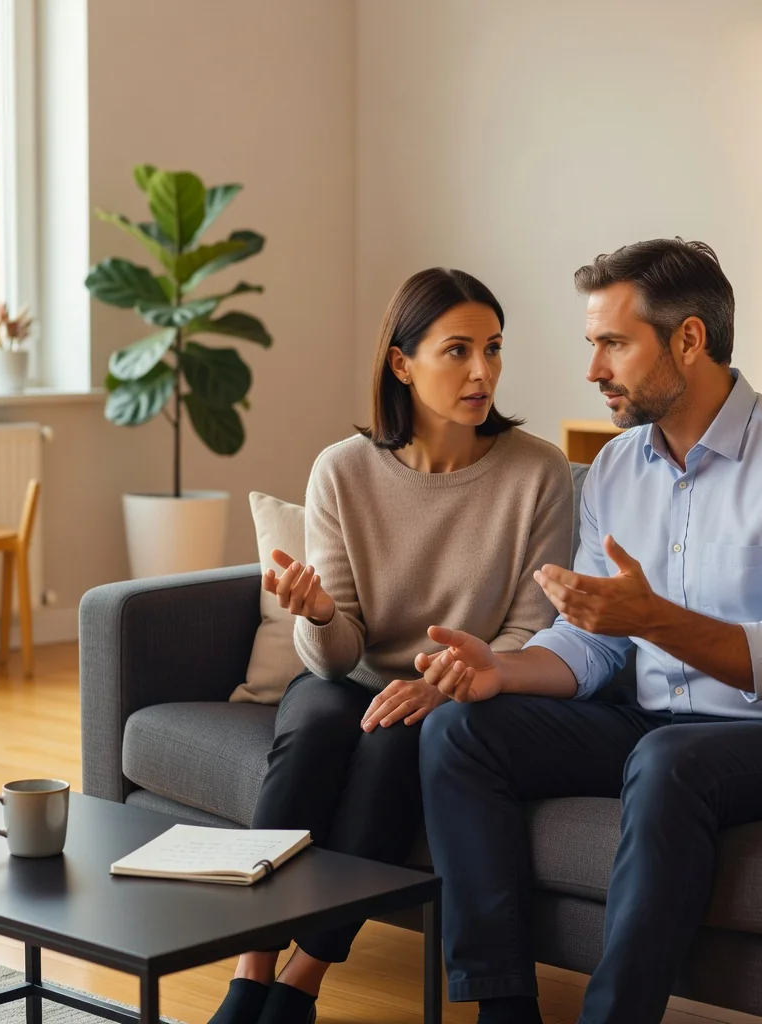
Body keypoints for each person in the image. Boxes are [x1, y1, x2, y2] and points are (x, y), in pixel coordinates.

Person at [416, 239, 762, 1024]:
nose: (593, 369)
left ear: (688, 339)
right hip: (657, 725)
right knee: (460, 730)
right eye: (591, 344)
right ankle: (503, 1009)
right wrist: (503, 669)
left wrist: (653, 618)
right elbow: (596, 643)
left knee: (670, 760)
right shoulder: (616, 468)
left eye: (614, 344)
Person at [208, 268, 574, 1024]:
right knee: (314, 726)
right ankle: (250, 969)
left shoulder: (537, 472)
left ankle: (302, 979)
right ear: (402, 364)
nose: (483, 372)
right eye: (458, 350)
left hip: (460, 690)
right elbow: (336, 658)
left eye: (494, 348)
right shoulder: (342, 469)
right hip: (351, 674)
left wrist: (444, 684)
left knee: (394, 743)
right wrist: (317, 615)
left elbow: (529, 629)